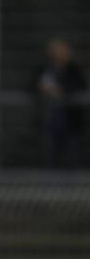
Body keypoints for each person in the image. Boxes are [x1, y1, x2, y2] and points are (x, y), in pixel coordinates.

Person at [36, 38, 87, 168]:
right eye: (56, 51)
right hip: (51, 119)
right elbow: (32, 84)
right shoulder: (45, 68)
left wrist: (61, 89)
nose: (59, 54)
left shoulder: (73, 69)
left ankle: (76, 183)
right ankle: (50, 182)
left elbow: (80, 86)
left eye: (62, 52)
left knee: (74, 154)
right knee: (51, 154)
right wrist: (41, 88)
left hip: (71, 118)